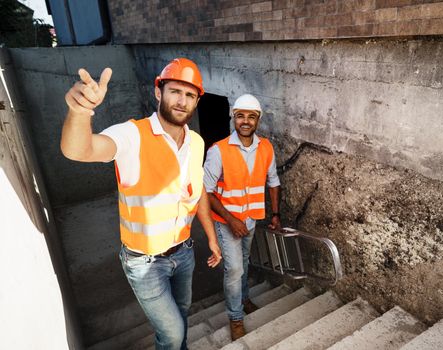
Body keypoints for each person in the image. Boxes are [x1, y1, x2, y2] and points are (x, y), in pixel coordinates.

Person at [60, 58, 222, 350]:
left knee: (181, 315)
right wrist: (80, 111)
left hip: (184, 252)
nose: (182, 101)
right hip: (145, 262)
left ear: (197, 101)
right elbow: (79, 150)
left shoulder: (196, 142)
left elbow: (196, 195)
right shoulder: (132, 135)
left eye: (190, 95)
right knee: (171, 333)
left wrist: (211, 238)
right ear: (159, 92)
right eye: (176, 91)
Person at [203, 94, 281, 341]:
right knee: (234, 267)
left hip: (251, 219)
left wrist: (275, 214)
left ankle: (244, 297)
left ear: (258, 120)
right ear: (233, 118)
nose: (245, 121)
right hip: (227, 221)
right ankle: (235, 317)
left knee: (245, 260)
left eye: (251, 116)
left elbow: (273, 181)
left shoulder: (266, 147)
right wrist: (231, 219)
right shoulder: (218, 150)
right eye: (240, 116)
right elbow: (206, 191)